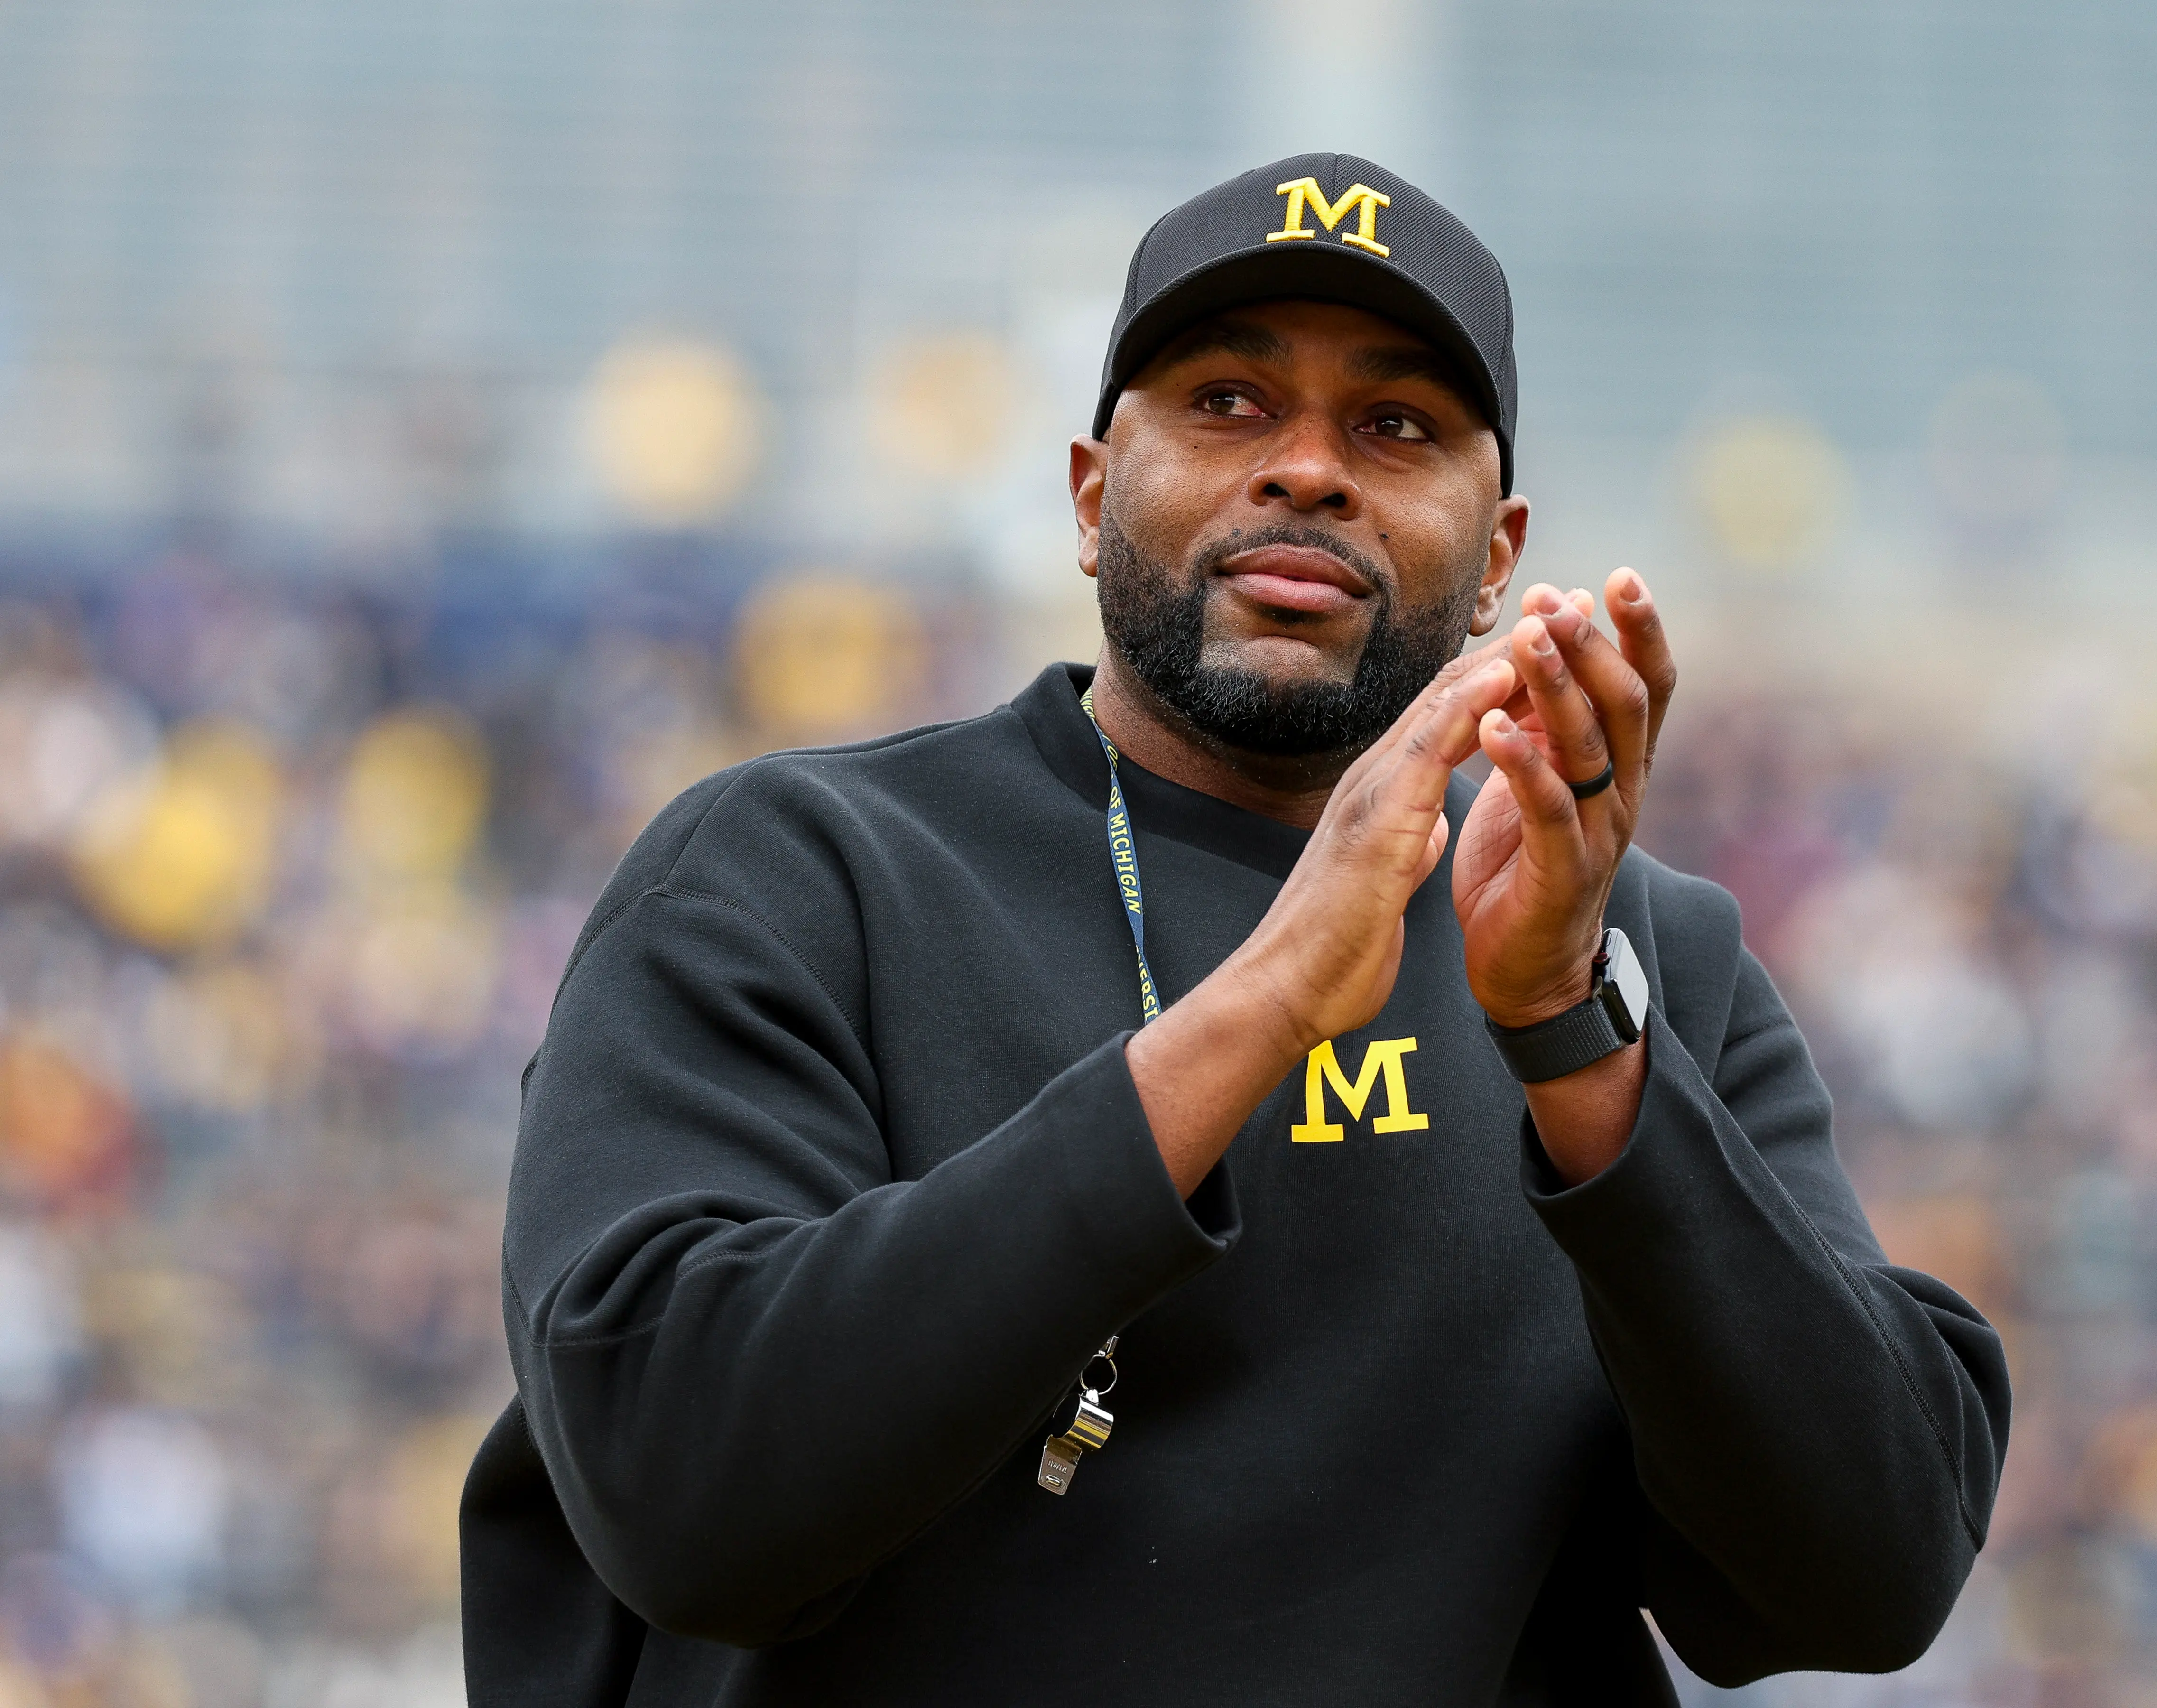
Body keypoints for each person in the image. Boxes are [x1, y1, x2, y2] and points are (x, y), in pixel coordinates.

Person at [460, 153, 2009, 1707]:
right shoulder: (799, 876)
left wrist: (1571, 1034)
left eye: (1396, 426)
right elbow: (683, 1498)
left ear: (1494, 560)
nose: (1309, 471)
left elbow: (1865, 1579)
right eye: (1226, 404)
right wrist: (1265, 998)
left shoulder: (1638, 962)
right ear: (1088, 497)